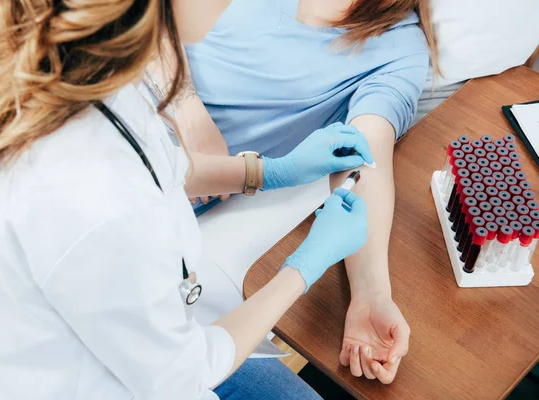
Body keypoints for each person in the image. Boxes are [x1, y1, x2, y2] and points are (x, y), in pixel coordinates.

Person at [0, 1, 378, 399]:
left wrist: (268, 171)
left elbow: (156, 164)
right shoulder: (96, 206)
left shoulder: (96, 73)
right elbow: (184, 376)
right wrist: (303, 266)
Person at [150, 0, 437, 383]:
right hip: (99, 114)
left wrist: (372, 294)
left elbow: (366, 156)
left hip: (160, 191)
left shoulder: (398, 49)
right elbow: (147, 21)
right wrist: (188, 111)